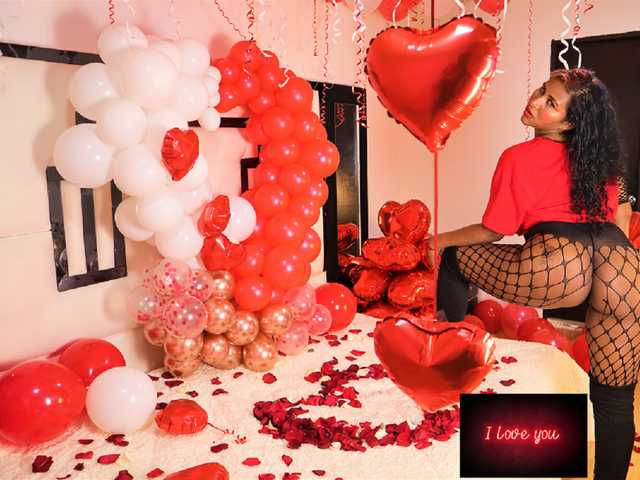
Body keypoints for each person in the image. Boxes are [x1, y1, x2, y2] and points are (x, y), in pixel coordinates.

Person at [429, 68, 639, 480]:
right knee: (615, 399)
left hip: (559, 262)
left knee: (454, 259)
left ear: (568, 123)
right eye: (543, 90)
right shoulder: (604, 162)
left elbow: (492, 231)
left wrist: (437, 240)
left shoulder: (518, 156)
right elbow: (620, 218)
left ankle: (448, 373)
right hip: (621, 267)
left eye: (551, 102)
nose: (536, 101)